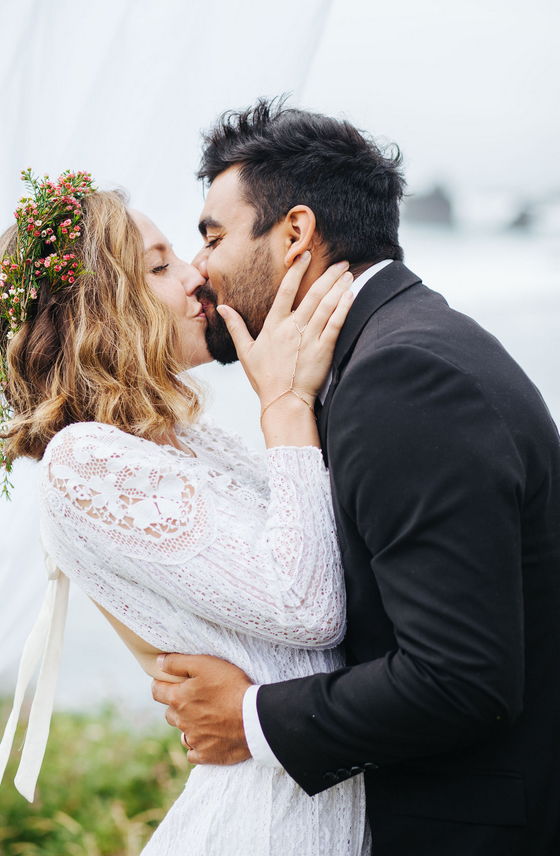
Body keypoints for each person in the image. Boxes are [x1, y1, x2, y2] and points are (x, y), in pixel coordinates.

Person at [151, 99, 560, 856]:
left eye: (212, 236)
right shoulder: (400, 347)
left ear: (296, 233)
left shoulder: (401, 378)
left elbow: (461, 677)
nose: (199, 268)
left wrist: (251, 717)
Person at [0, 173, 367, 854]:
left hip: (314, 795)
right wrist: (285, 405)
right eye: (160, 266)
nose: (197, 276)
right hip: (271, 827)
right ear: (102, 307)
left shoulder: (184, 443)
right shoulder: (85, 462)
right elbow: (311, 605)